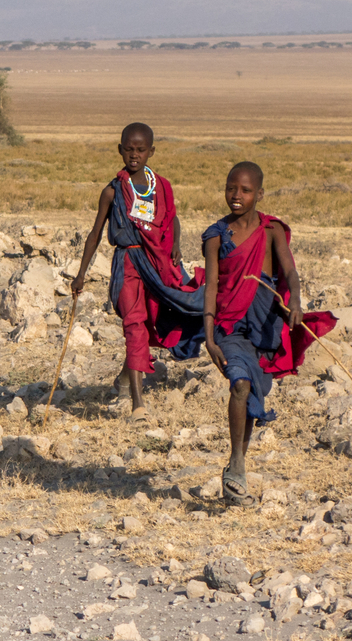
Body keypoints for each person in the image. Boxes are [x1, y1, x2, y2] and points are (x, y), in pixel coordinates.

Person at [200, 161, 336, 506]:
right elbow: (211, 285)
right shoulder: (216, 236)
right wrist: (209, 337)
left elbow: (290, 272)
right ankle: (235, 464)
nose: (236, 195)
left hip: (264, 325)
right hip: (228, 324)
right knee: (240, 383)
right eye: (231, 188)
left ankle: (238, 466)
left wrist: (296, 303)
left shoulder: (271, 231)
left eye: (245, 190)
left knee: (253, 390)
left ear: (259, 194)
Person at [71, 123, 203, 422]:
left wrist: (176, 245)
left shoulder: (162, 186)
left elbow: (173, 218)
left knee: (156, 320)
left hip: (157, 264)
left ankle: (124, 377)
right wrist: (81, 274)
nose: (134, 155)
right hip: (128, 262)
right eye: (128, 149)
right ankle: (138, 405)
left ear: (151, 152)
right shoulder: (112, 191)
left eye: (140, 150)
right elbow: (95, 233)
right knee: (134, 323)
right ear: (120, 150)